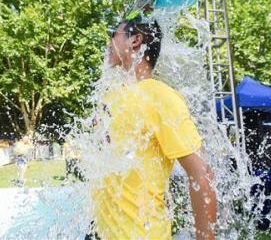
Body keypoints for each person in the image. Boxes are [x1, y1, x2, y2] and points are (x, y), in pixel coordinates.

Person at [90, 15, 216, 240]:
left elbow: (201, 173)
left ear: (135, 40)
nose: (108, 43)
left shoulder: (160, 96)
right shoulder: (112, 96)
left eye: (113, 35)